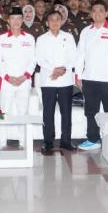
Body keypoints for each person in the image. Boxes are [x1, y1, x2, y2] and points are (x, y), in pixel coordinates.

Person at [74, 1, 108, 151]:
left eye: (101, 11)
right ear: (90, 14)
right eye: (94, 11)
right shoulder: (85, 31)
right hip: (89, 78)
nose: (97, 14)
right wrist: (78, 75)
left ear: (106, 13)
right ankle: (92, 138)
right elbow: (80, 55)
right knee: (91, 111)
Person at [0, 7, 36, 150]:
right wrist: (7, 77)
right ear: (8, 21)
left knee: (23, 111)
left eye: (19, 18)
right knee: (4, 111)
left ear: (23, 20)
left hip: (24, 81)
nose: (16, 21)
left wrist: (24, 77)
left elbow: (33, 61)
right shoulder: (1, 39)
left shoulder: (29, 39)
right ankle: (2, 141)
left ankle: (23, 140)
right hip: (7, 81)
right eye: (13, 18)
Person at [35, 11, 77, 153]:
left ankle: (66, 141)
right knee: (48, 112)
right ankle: (48, 141)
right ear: (47, 23)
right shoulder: (41, 39)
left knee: (66, 112)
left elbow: (73, 57)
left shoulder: (69, 37)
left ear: (62, 21)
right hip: (48, 80)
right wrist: (54, 69)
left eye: (57, 19)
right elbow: (40, 59)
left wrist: (63, 69)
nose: (54, 22)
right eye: (51, 20)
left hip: (65, 80)